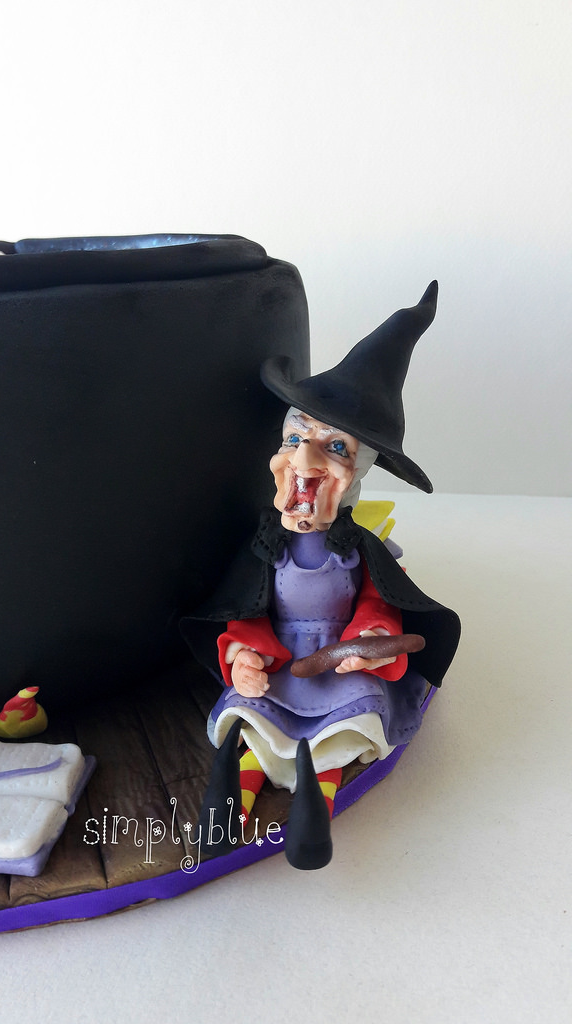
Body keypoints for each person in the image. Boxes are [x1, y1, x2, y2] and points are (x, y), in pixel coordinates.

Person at [183, 281, 460, 869]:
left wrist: (368, 641)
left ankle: (315, 814)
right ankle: (227, 804)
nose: (306, 460)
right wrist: (244, 653)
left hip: (338, 663)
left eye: (334, 447)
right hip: (280, 661)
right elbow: (247, 605)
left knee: (332, 738)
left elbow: (378, 603)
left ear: (358, 471)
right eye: (295, 437)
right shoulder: (265, 544)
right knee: (254, 725)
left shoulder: (361, 550)